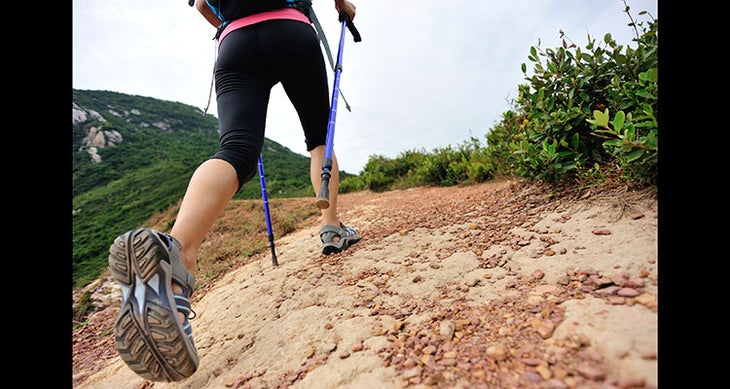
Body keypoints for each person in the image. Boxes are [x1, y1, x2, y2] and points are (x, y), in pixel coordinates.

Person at [107, 0, 360, 381]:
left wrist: (227, 22)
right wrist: (344, 7)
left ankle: (176, 254)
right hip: (290, 29)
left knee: (237, 149)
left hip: (235, 41)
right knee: (319, 139)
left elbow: (203, 6)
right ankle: (331, 228)